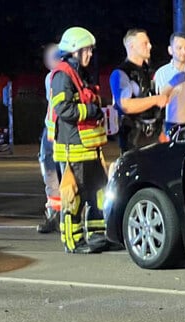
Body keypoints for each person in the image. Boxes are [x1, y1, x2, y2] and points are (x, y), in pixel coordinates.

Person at [50, 27, 108, 254]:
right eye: (87, 50)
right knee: (75, 196)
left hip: (90, 147)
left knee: (99, 193)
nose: (90, 54)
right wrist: (91, 110)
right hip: (74, 148)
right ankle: (73, 241)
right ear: (74, 50)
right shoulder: (63, 75)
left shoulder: (79, 74)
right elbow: (63, 109)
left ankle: (97, 234)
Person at [109, 29, 168, 153]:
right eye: (145, 43)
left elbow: (152, 107)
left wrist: (160, 134)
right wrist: (155, 100)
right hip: (133, 141)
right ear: (131, 46)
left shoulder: (147, 71)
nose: (150, 46)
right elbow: (125, 105)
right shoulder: (121, 73)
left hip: (153, 139)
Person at [38, 43, 62, 234]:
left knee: (53, 173)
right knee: (53, 173)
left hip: (55, 131)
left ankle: (56, 215)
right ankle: (56, 213)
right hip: (54, 130)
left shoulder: (53, 76)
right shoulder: (54, 77)